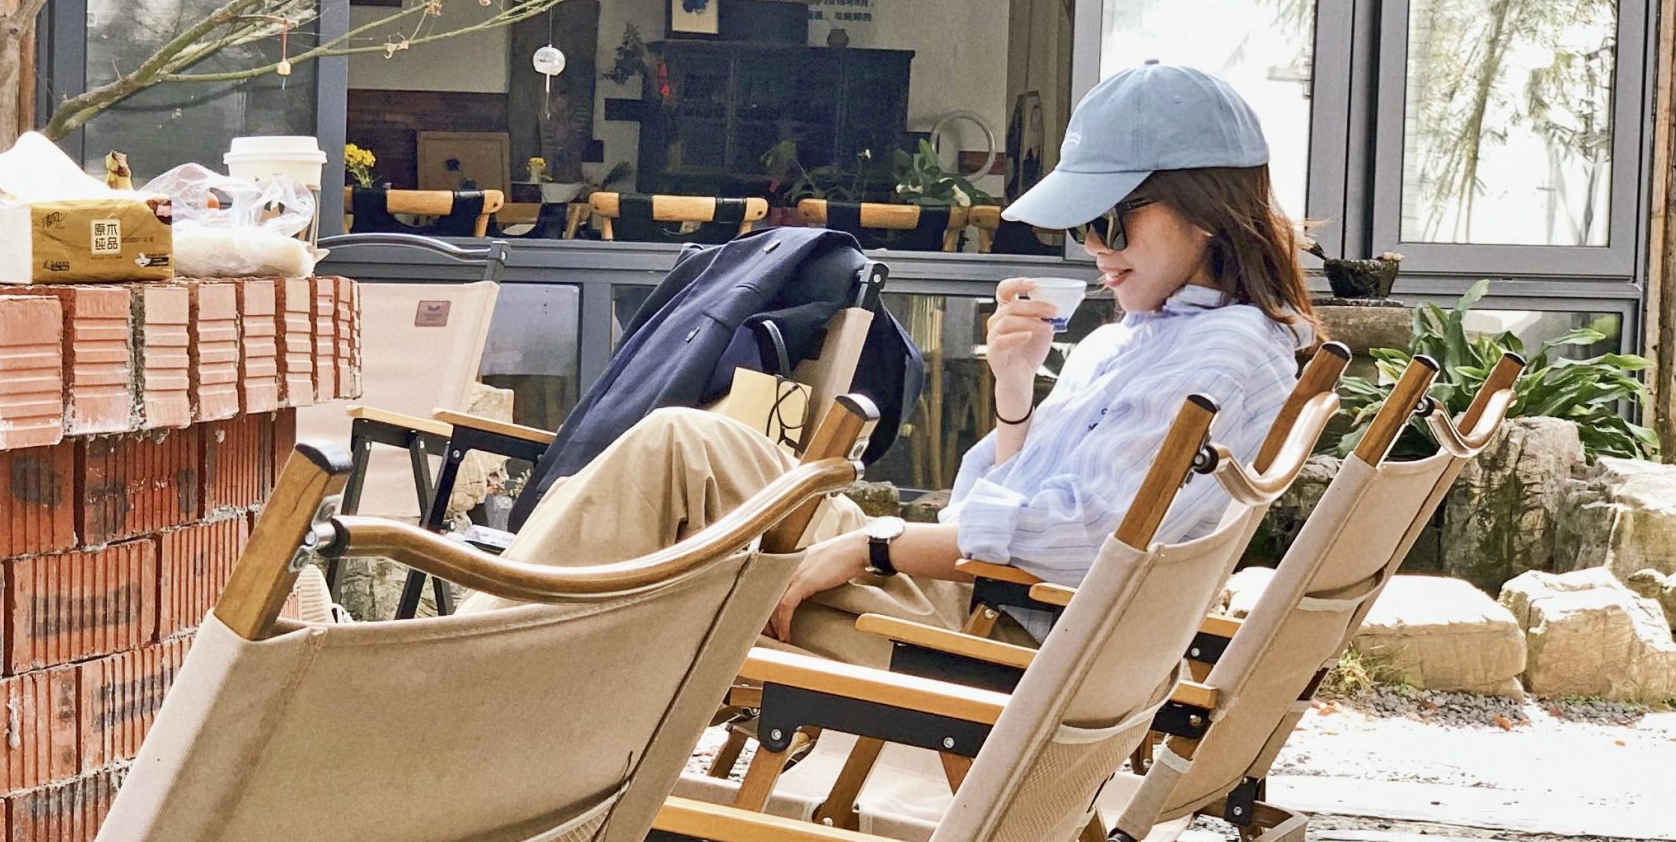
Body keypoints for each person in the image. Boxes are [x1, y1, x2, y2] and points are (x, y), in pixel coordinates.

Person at [493, 62, 1324, 663]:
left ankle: (478, 665)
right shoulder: (1142, 338)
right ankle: (490, 649)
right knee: (680, 445)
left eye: (1111, 221)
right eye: (1084, 226)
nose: (1095, 248)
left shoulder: (1224, 352)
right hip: (965, 590)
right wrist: (1013, 394)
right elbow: (1005, 506)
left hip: (985, 630)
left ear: (1206, 209)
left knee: (673, 478)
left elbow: (1085, 540)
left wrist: (873, 547)